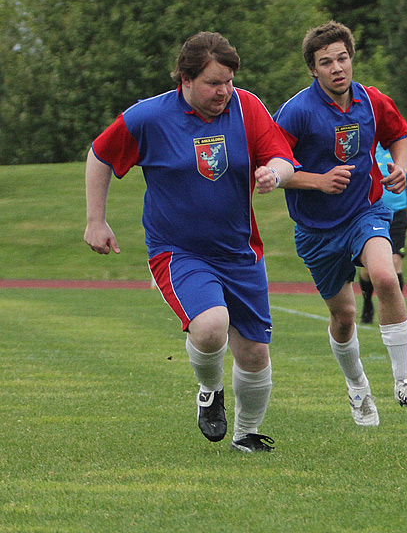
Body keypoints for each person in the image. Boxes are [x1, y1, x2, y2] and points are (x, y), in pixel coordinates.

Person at [84, 32, 296, 453]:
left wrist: (275, 173)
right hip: (178, 251)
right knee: (211, 325)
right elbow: (101, 154)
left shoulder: (246, 106)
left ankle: (245, 434)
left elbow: (282, 156)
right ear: (184, 78)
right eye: (214, 83)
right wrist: (96, 220)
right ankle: (210, 391)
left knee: (254, 353)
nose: (224, 91)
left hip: (239, 251)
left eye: (229, 81)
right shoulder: (149, 117)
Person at [273, 21, 407, 426]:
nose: (337, 68)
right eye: (325, 62)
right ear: (313, 69)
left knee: (384, 276)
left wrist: (398, 165)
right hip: (316, 229)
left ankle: (406, 382)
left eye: (342, 58)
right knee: (344, 317)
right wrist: (317, 181)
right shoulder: (296, 112)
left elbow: (399, 133)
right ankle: (357, 386)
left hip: (367, 210)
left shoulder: (372, 100)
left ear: (352, 58)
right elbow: (273, 169)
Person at [358, 145, 407, 324]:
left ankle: (395, 309)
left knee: (395, 261)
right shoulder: (368, 147)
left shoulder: (405, 153)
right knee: (368, 268)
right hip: (371, 214)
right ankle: (367, 302)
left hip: (398, 214)